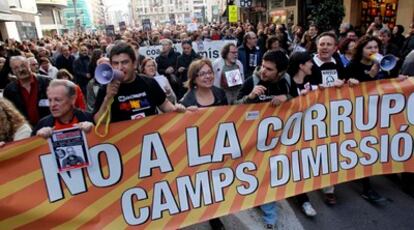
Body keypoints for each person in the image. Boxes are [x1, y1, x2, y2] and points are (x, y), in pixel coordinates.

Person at [236, 50, 292, 229]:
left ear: (280, 72)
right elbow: (232, 109)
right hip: (252, 142)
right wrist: (249, 98)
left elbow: (301, 101)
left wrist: (288, 98)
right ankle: (259, 203)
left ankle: (269, 216)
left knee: (269, 176)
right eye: (262, 66)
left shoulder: (286, 81)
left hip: (277, 141)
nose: (263, 71)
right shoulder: (251, 81)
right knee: (257, 175)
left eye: (269, 69)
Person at [179, 58, 227, 230]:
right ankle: (211, 216)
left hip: (219, 147)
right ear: (194, 78)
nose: (208, 76)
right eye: (203, 74)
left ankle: (215, 214)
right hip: (199, 151)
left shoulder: (220, 93)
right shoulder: (187, 100)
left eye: (210, 72)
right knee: (204, 185)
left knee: (216, 184)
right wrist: (184, 114)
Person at [93, 42, 185, 124]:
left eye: (125, 62)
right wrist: (108, 98)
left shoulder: (149, 82)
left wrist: (180, 111)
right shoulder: (106, 88)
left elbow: (165, 106)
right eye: (116, 63)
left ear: (135, 64)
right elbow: (98, 121)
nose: (120, 68)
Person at [3, 56, 51, 127]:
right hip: (26, 131)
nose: (20, 70)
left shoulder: (47, 82)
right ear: (12, 71)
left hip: (49, 126)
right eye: (16, 68)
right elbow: (9, 114)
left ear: (29, 65)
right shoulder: (9, 90)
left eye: (23, 66)